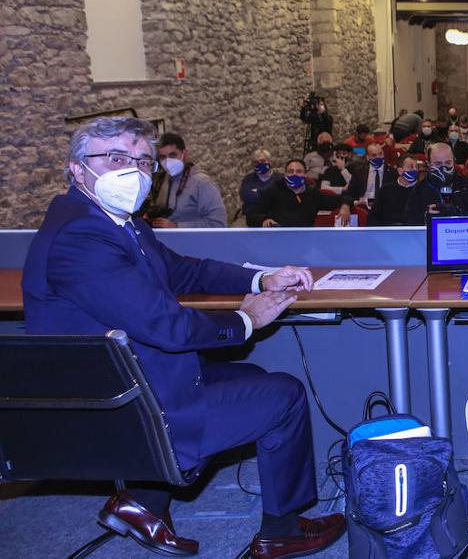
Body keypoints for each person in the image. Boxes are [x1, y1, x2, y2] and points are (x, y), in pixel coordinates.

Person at [23, 116, 345, 558]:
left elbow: (182, 270)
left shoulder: (116, 221)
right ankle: (282, 530)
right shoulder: (81, 238)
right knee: (283, 396)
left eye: (143, 161)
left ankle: (144, 501)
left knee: (247, 373)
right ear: (78, 169)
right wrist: (246, 320)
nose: (133, 171)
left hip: (138, 379)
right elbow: (168, 328)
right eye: (116, 157)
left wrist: (262, 278)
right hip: (126, 405)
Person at [148, 133, 227, 228]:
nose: (168, 161)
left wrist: (177, 226)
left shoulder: (202, 183)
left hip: (193, 241)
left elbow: (218, 224)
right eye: (163, 157)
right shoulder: (163, 180)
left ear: (184, 153)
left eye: (173, 155)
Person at [401, 143, 468, 224]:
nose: (443, 167)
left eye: (448, 163)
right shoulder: (419, 188)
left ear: (454, 162)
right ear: (428, 164)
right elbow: (408, 220)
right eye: (438, 164)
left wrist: (459, 213)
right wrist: (425, 216)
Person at [248, 160, 349, 227]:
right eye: (291, 171)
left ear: (305, 174)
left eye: (299, 171)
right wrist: (264, 220)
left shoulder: (313, 195)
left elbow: (343, 198)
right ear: (285, 174)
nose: (294, 174)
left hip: (305, 242)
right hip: (276, 240)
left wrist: (345, 205)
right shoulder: (272, 192)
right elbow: (251, 216)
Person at [369, 154, 423, 226]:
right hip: (388, 232)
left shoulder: (423, 189)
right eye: (411, 167)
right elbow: (373, 216)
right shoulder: (386, 189)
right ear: (400, 171)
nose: (415, 170)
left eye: (416, 167)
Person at [344, 143, 397, 209]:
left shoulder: (392, 173)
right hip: (362, 206)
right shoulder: (359, 172)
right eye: (374, 155)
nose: (378, 157)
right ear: (368, 157)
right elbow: (349, 193)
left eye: (380, 154)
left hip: (384, 208)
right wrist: (348, 205)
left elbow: (395, 196)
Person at [239, 148, 275, 220]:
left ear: (270, 162)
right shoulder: (248, 179)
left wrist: (257, 191)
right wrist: (269, 193)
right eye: (256, 162)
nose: (260, 164)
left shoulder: (279, 179)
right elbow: (245, 196)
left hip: (274, 218)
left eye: (263, 161)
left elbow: (281, 199)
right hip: (251, 218)